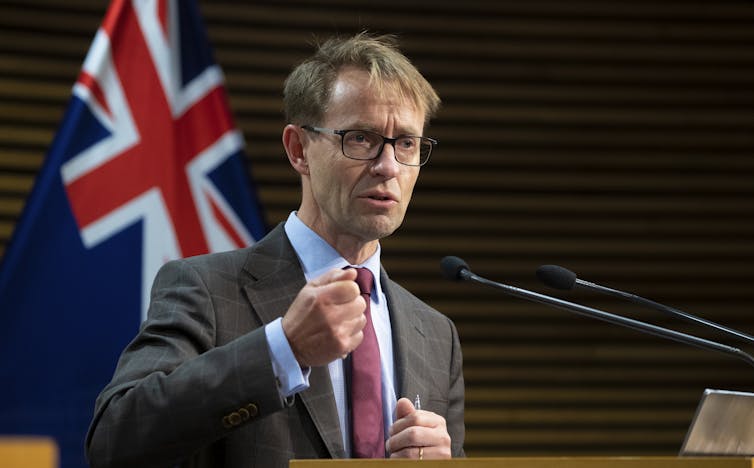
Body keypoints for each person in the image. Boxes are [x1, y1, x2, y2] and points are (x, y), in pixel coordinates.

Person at [86, 32, 465, 468]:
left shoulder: (436, 335)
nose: (388, 166)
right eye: (361, 138)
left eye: (407, 143)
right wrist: (282, 350)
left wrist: (443, 460)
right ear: (298, 149)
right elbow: (115, 441)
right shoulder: (205, 289)